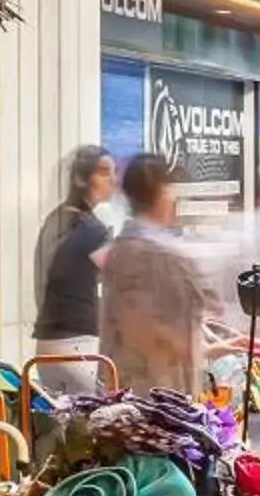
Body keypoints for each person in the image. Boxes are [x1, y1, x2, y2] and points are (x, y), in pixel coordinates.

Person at [100, 153, 220, 395]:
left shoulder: (134, 247)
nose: (174, 198)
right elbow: (143, 328)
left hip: (154, 388)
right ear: (160, 192)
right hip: (153, 392)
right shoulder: (145, 252)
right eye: (170, 188)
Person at [30, 149, 114, 397]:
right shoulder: (93, 231)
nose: (112, 180)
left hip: (45, 347)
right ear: (81, 178)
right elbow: (122, 281)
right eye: (103, 172)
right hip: (78, 346)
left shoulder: (54, 220)